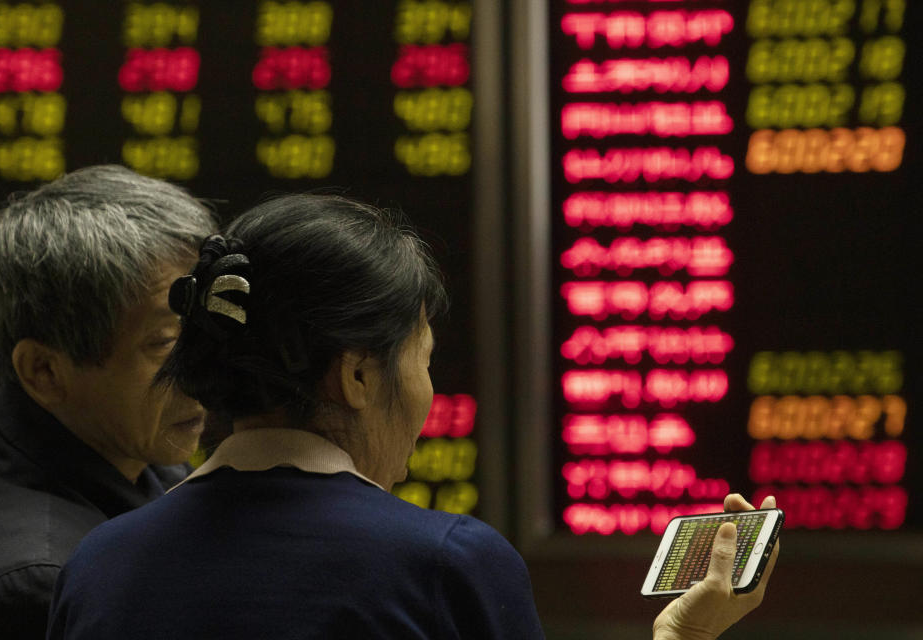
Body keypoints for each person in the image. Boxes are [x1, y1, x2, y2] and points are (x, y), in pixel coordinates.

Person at [46, 194, 779, 640]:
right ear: (358, 374)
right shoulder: (444, 563)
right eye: (421, 360)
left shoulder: (99, 564)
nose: (426, 393)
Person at [0, 165, 218, 639]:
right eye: (164, 342)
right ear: (44, 371)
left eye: (204, 328)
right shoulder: (36, 587)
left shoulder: (130, 451)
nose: (205, 368)